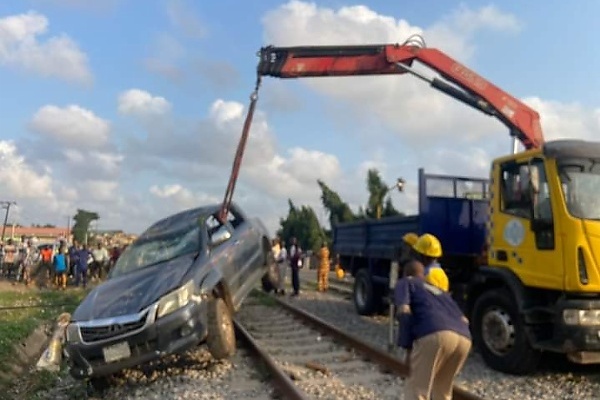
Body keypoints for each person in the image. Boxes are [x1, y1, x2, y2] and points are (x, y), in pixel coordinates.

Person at [395, 260, 471, 400]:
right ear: (423, 275)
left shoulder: (406, 282)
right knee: (442, 391)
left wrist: (407, 348)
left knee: (417, 390)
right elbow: (464, 319)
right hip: (464, 338)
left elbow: (404, 312)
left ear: (405, 273)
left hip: (435, 333)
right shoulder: (439, 291)